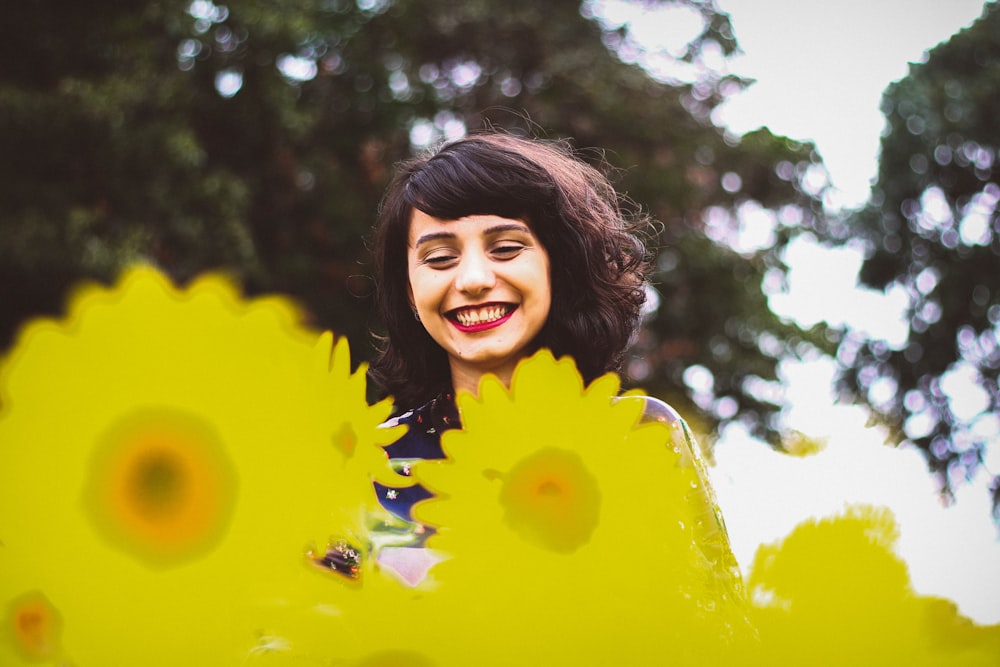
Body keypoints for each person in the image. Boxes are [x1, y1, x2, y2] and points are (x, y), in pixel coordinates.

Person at [364, 131, 736, 589]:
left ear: (559, 264)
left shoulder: (644, 434)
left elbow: (722, 628)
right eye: (439, 258)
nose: (475, 279)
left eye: (506, 248)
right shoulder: (365, 462)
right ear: (408, 289)